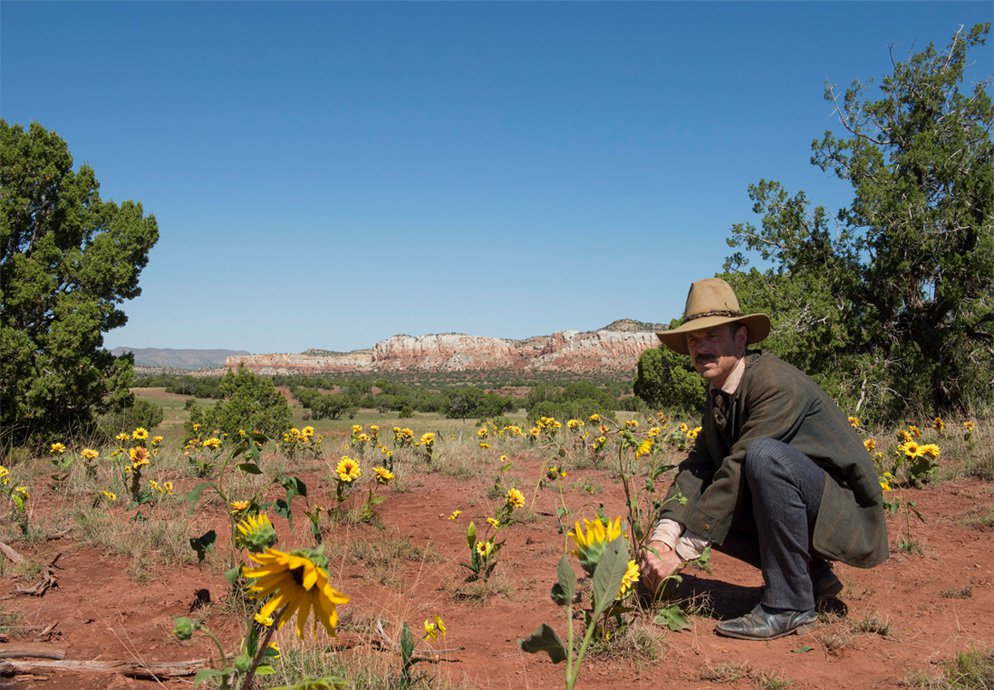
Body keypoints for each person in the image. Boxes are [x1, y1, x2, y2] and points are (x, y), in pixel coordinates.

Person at [640, 277, 888, 640]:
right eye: (693, 339)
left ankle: (789, 605)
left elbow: (740, 464)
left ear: (741, 338)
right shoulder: (719, 393)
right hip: (806, 504)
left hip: (846, 511)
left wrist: (682, 553)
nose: (701, 348)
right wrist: (663, 539)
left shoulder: (773, 382)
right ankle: (813, 576)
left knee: (761, 459)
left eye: (712, 336)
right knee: (713, 497)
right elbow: (697, 467)